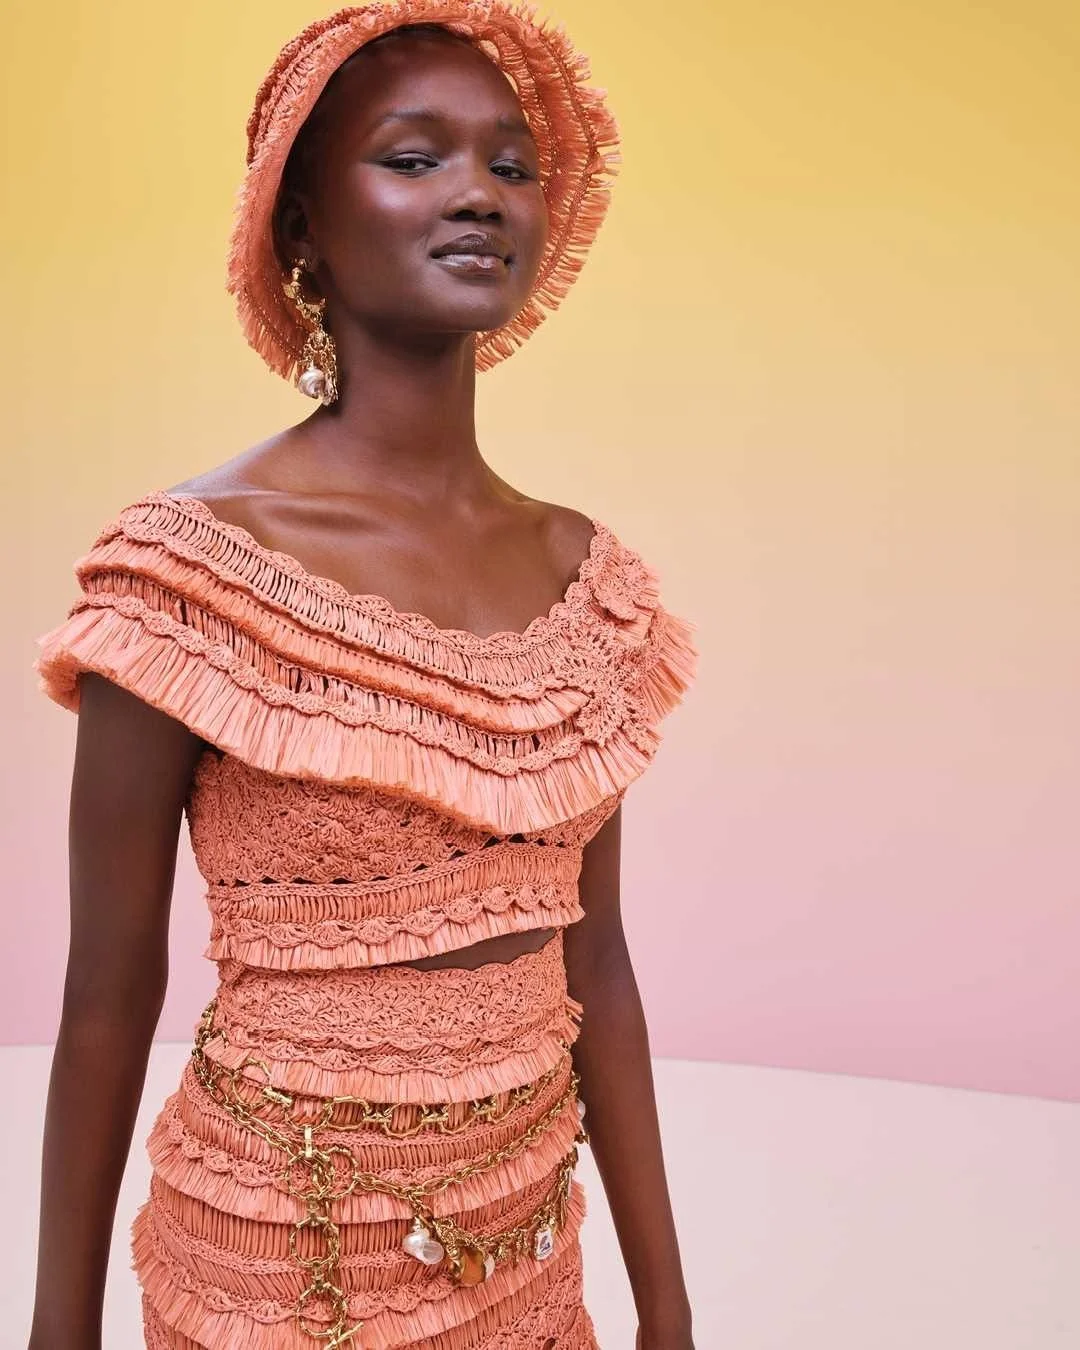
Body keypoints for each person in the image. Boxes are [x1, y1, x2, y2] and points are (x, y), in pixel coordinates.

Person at [28, 4, 700, 1347]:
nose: (477, 193)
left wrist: (668, 1313)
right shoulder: (189, 573)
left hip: (527, 1254)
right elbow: (107, 992)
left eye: (511, 166)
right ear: (302, 231)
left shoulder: (587, 583)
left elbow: (599, 963)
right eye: (414, 157)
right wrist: (58, 1331)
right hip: (281, 1265)